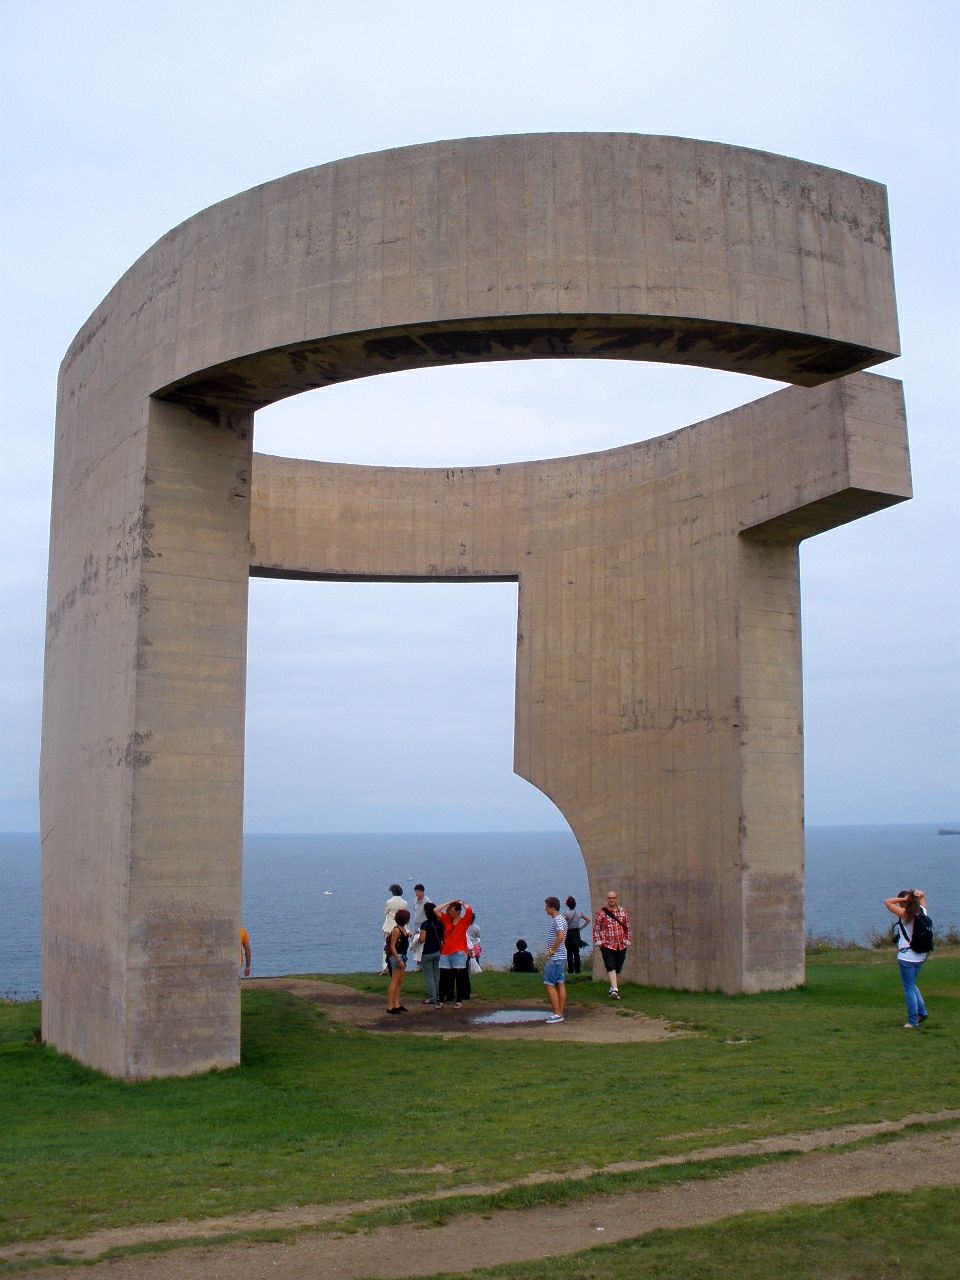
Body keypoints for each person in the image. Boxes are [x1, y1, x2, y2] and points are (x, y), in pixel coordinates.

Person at [883, 888, 931, 1028]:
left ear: (904, 903)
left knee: (909, 988)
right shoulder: (922, 911)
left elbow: (887, 902)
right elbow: (922, 894)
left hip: (907, 957)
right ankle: (922, 1012)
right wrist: (916, 895)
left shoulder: (905, 915)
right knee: (912, 984)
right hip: (921, 956)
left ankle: (912, 1020)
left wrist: (904, 900)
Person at [435, 899, 474, 1007]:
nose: (450, 912)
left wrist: (462, 903)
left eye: (452, 910)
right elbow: (436, 910)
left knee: (459, 977)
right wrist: (449, 902)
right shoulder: (447, 920)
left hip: (459, 952)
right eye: (450, 910)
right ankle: (441, 1000)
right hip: (446, 953)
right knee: (443, 977)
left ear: (458, 911)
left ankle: (459, 1000)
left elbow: (470, 910)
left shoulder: (464, 921)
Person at [593, 889, 631, 999]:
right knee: (610, 965)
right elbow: (596, 929)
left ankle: (612, 988)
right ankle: (615, 990)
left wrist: (627, 940)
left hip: (621, 944)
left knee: (618, 967)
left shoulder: (623, 912)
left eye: (613, 898)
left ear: (616, 899)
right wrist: (599, 942)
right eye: (609, 898)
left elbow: (627, 927)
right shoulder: (601, 913)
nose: (611, 900)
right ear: (607, 899)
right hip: (607, 945)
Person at [543, 897, 567, 1023]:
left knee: (549, 984)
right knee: (560, 983)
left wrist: (552, 950)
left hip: (556, 957)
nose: (545, 909)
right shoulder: (562, 918)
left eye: (546, 906)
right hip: (562, 956)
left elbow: (561, 936)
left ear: (552, 908)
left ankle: (557, 1013)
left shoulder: (557, 920)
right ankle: (560, 1011)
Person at [385, 907, 411, 1014]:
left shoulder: (403, 929)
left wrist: (408, 935)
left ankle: (396, 1003)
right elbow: (392, 946)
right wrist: (398, 960)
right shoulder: (396, 930)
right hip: (397, 957)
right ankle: (390, 1006)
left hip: (403, 956)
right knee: (394, 981)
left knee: (399, 981)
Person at [417, 901, 444, 1007]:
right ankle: (438, 994)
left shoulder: (425, 924)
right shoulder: (440, 924)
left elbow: (422, 940)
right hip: (438, 951)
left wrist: (417, 939)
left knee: (429, 975)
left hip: (427, 952)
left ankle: (432, 997)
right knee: (437, 974)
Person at [380, 883, 407, 974]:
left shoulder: (389, 902)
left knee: (387, 946)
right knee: (399, 948)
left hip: (389, 927)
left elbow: (385, 912)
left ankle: (385, 967)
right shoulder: (404, 903)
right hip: (400, 928)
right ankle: (400, 964)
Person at [562, 896, 590, 974]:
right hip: (576, 933)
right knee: (576, 953)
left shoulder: (566, 913)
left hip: (569, 933)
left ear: (567, 905)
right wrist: (581, 927)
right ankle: (578, 970)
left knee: (569, 953)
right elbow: (588, 920)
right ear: (575, 904)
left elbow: (562, 923)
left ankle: (571, 970)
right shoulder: (579, 912)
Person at [410, 883, 430, 968]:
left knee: (423, 945)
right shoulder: (415, 901)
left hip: (424, 927)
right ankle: (419, 965)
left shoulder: (427, 901)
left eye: (418, 891)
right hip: (416, 926)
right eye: (416, 891)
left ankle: (422, 965)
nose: (417, 893)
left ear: (423, 892)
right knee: (416, 945)